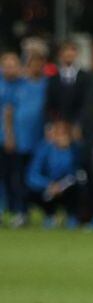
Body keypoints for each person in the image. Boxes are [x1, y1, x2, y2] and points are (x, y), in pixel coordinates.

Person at [45, 40, 93, 222]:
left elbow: (88, 105)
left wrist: (77, 126)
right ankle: (55, 213)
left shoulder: (86, 77)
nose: (68, 55)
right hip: (60, 135)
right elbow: (50, 106)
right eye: (65, 52)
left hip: (79, 134)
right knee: (57, 173)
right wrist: (56, 127)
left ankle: (88, 214)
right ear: (60, 55)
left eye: (71, 52)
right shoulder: (52, 78)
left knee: (83, 174)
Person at [4, 50, 48, 228]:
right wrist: (9, 136)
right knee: (19, 178)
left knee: (38, 177)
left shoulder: (46, 85)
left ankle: (47, 213)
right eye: (32, 63)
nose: (35, 67)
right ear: (27, 66)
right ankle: (21, 212)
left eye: (39, 63)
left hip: (40, 141)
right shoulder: (20, 85)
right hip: (21, 140)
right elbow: (8, 112)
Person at [25, 120, 80, 228]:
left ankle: (71, 216)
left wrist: (60, 186)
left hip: (64, 188)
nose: (61, 137)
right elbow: (32, 175)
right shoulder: (44, 149)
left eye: (64, 134)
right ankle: (49, 215)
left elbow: (74, 173)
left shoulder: (73, 150)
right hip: (47, 187)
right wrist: (49, 184)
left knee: (78, 187)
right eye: (58, 133)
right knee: (29, 190)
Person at [1, 52, 23, 226]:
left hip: (17, 141)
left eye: (12, 65)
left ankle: (18, 211)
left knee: (15, 177)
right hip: (5, 139)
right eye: (6, 65)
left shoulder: (23, 85)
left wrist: (9, 136)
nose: (9, 69)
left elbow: (9, 112)